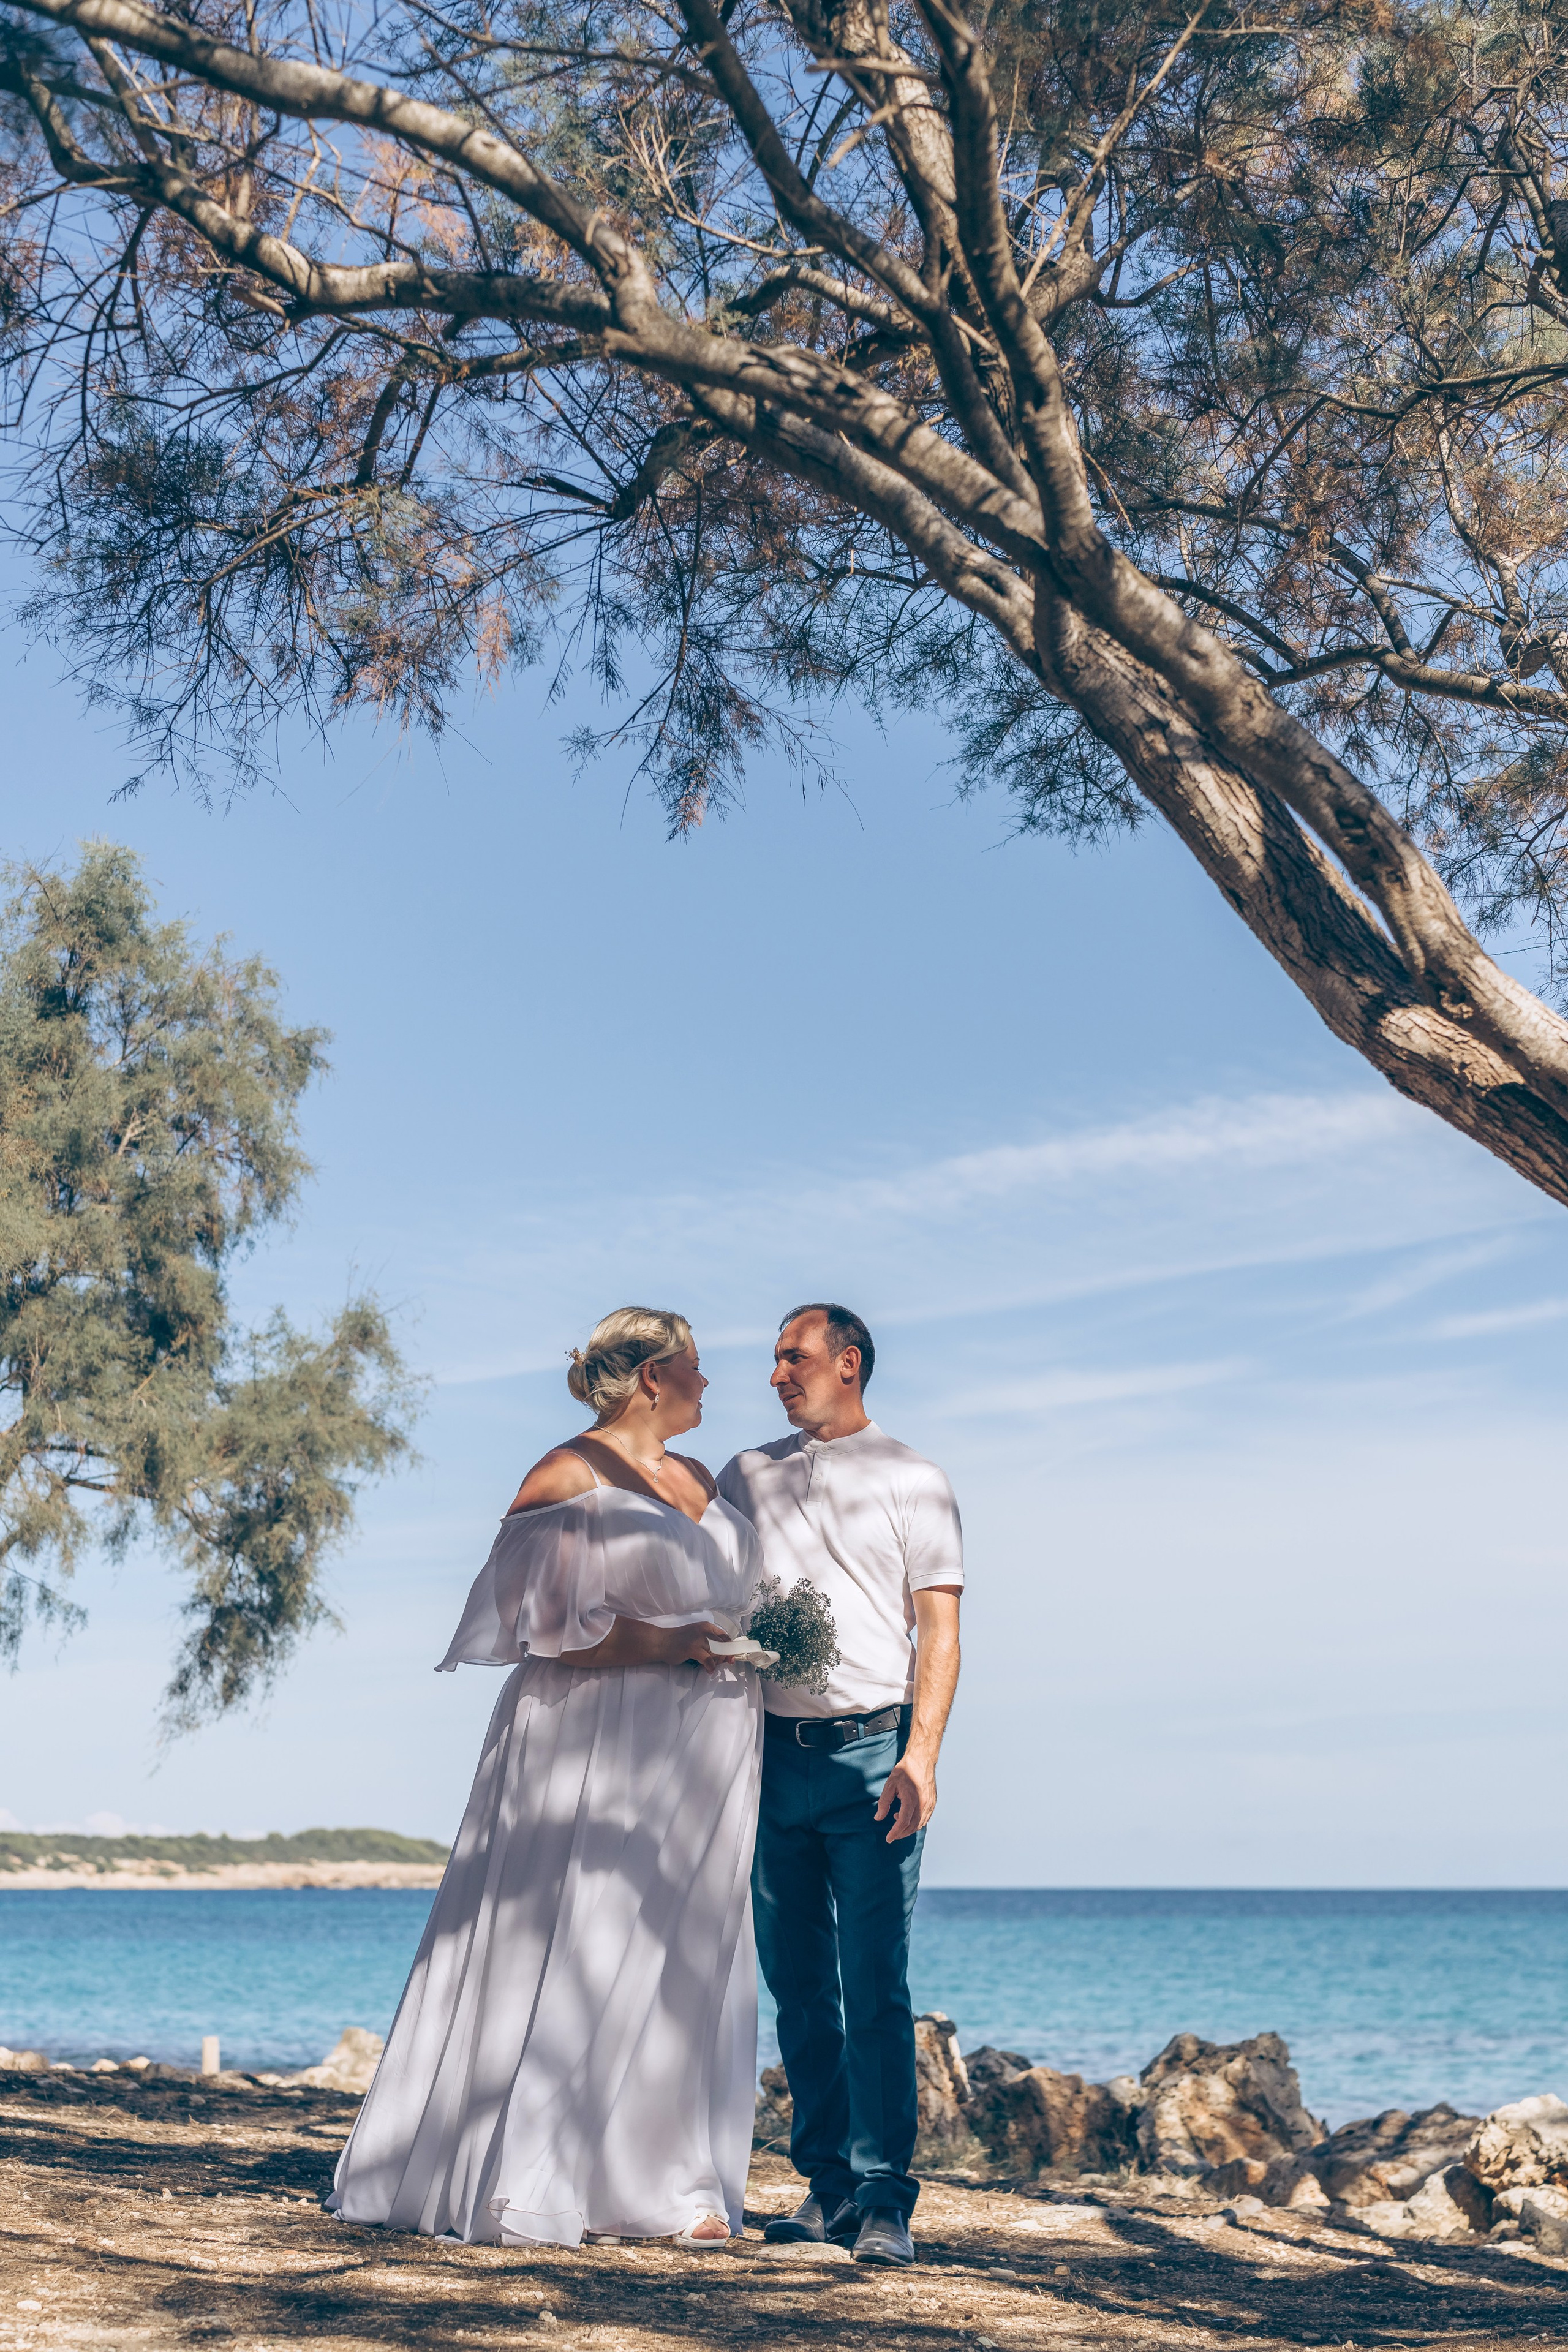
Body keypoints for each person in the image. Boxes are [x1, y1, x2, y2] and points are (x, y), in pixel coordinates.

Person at [328, 1308, 764, 2250]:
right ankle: (536, 2174)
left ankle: (672, 2181)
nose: (706, 1384)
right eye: (694, 1368)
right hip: (599, 1737)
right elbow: (545, 1625)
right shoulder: (564, 1475)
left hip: (710, 1743)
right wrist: (675, 1643)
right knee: (589, 1939)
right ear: (653, 1375)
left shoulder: (696, 1478)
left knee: (685, 1945)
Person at [717, 1305, 963, 2269]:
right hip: (768, 1759)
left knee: (876, 1987)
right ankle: (823, 2188)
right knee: (800, 1991)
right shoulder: (747, 1473)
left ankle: (884, 2199)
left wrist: (922, 1757)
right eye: (776, 1359)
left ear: (848, 1363)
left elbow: (937, 1633)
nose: (777, 1373)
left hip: (874, 1758)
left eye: (795, 1357)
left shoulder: (915, 1478)